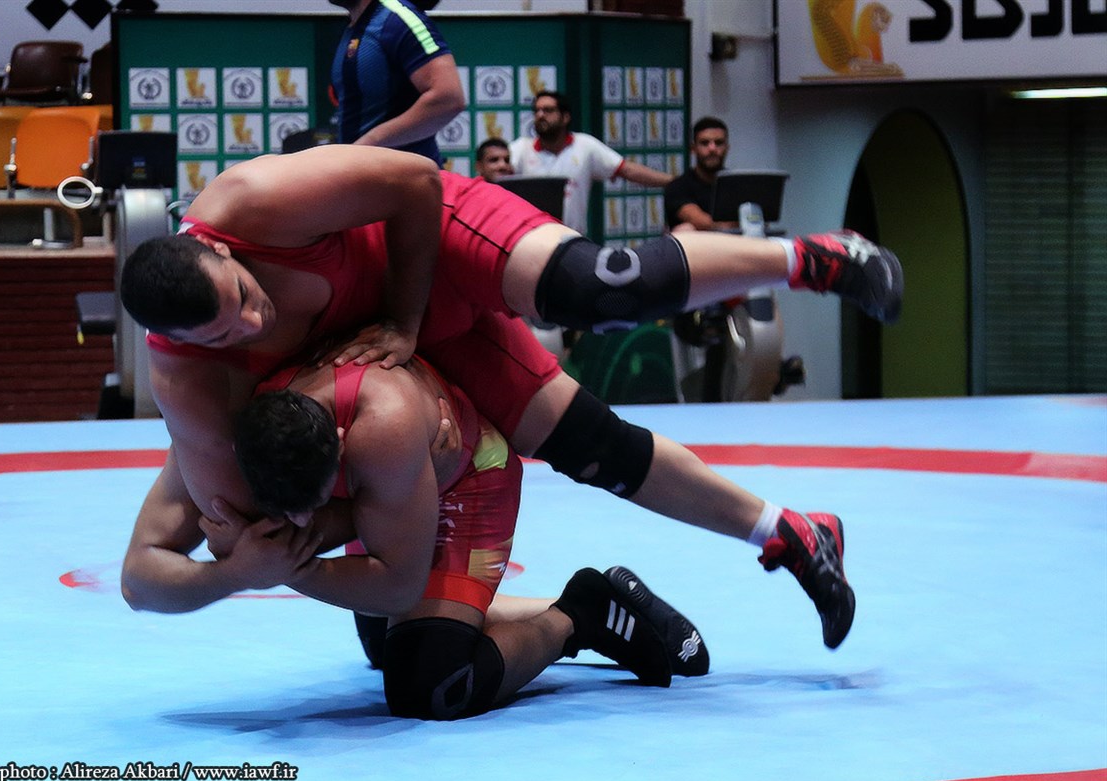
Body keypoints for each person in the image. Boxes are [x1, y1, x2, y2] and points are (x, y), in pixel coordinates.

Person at [120, 144, 903, 650]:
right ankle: (789, 530)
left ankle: (814, 258)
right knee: (592, 450)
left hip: (426, 256)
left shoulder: (251, 201)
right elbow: (231, 537)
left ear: (215, 248)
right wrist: (243, 569)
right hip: (394, 359)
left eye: (245, 296)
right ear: (183, 343)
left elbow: (415, 180)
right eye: (225, 334)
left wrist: (404, 321)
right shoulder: (191, 385)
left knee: (594, 285)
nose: (253, 323)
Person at [121, 345, 710, 720]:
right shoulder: (213, 451)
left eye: (313, 508)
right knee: (386, 643)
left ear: (341, 450)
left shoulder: (385, 427)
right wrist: (233, 573)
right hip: (387, 491)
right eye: (281, 514)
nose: (301, 526)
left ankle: (580, 614)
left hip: (465, 478)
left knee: (432, 683)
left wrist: (283, 567)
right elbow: (138, 581)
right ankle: (585, 602)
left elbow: (398, 586)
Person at [509, 90, 674, 234]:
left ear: (565, 117)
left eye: (548, 110)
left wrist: (676, 182)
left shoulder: (585, 146)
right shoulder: (520, 149)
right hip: (530, 240)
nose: (540, 115)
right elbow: (497, 180)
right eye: (536, 111)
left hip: (572, 240)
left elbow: (627, 170)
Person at [327, 0, 465, 167]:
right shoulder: (354, 28)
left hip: (405, 176)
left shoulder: (397, 19)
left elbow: (448, 99)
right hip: (365, 173)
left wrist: (367, 145)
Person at [665, 116, 737, 232]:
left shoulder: (738, 185)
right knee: (686, 229)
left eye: (718, 143)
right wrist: (738, 223)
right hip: (697, 243)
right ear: (693, 148)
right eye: (705, 143)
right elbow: (702, 223)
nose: (712, 149)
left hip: (735, 243)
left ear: (727, 148)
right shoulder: (678, 187)